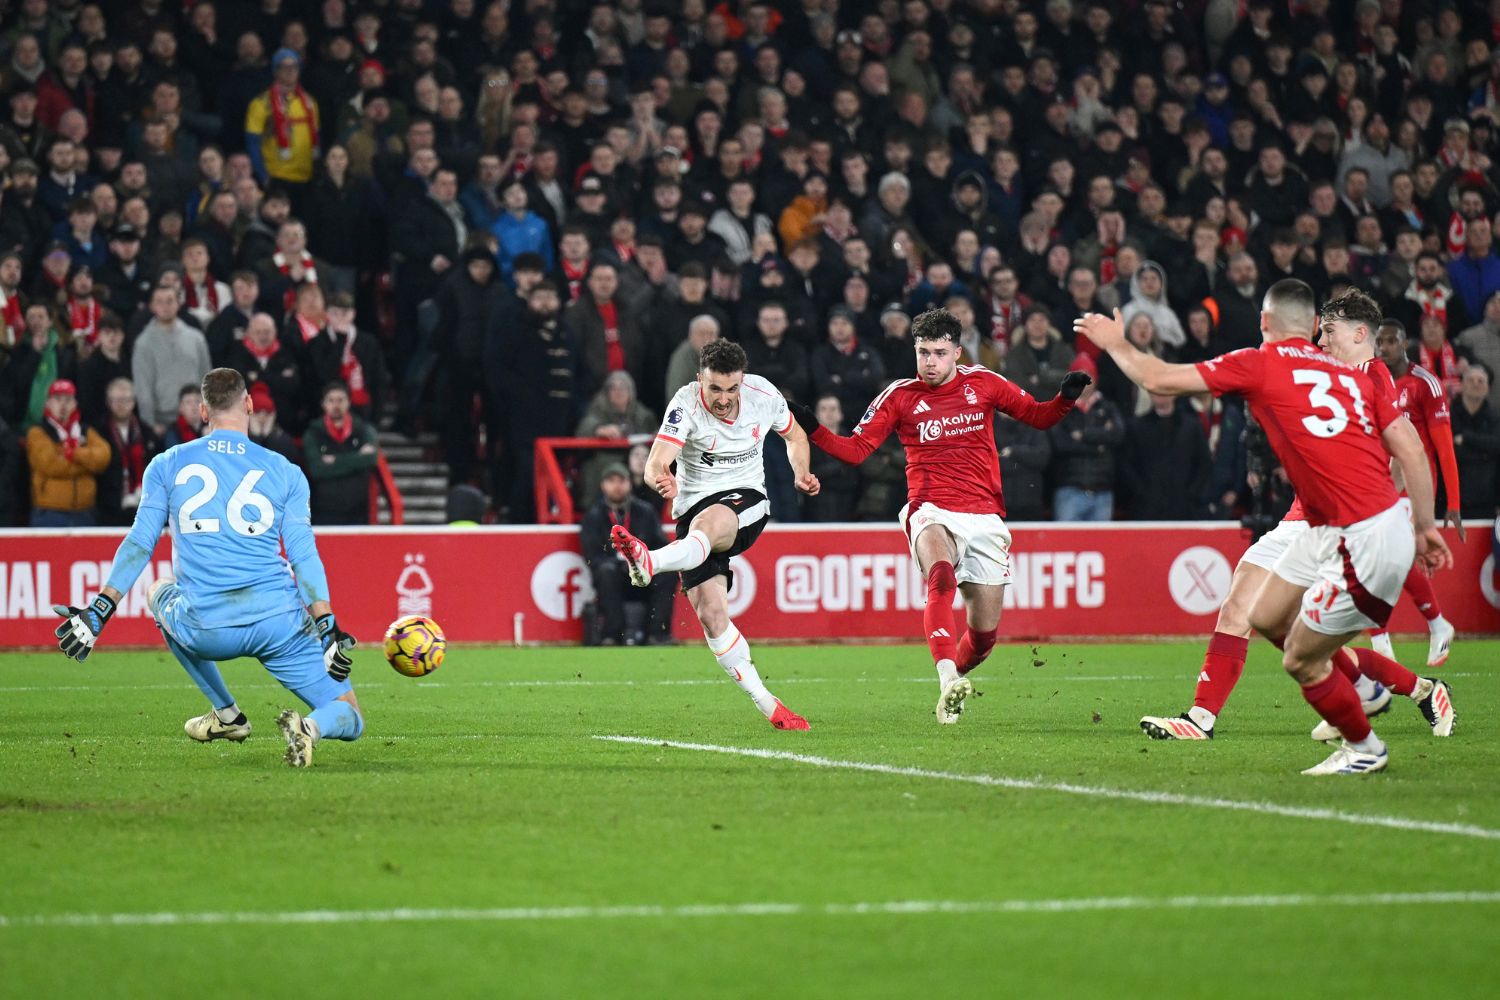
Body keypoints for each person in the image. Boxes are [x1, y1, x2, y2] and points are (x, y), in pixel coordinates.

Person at [1076, 283, 1454, 774]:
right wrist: (1423, 524)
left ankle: (1379, 715)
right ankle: (1214, 714)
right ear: (1314, 326)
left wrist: (1114, 343)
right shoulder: (1347, 377)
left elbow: (1159, 379)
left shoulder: (1281, 364)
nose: (1327, 340)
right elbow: (1409, 445)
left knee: (1301, 652)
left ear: (1263, 323)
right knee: (1254, 611)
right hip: (1319, 519)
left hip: (1351, 526)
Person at [52, 368, 364, 769]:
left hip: (207, 628)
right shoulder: (287, 472)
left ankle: (227, 713)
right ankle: (312, 728)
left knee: (160, 590)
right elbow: (304, 555)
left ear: (202, 411)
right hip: (279, 623)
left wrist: (100, 610)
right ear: (249, 404)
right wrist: (326, 625)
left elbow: (140, 542)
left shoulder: (166, 464)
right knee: (350, 714)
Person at [789, 308, 1087, 724]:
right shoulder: (899, 396)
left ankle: (957, 677)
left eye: (939, 353)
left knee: (983, 638)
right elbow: (855, 451)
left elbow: (1038, 417)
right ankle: (946, 677)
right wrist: (811, 427)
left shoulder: (983, 383)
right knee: (941, 576)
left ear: (957, 353)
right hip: (929, 508)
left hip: (984, 517)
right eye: (923, 352)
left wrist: (1065, 399)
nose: (930, 362)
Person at [609, 339, 820, 730]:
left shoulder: (763, 395)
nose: (724, 399)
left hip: (747, 501)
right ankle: (770, 705)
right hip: (692, 512)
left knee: (713, 522)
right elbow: (656, 460)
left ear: (743, 381)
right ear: (698, 380)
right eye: (715, 389)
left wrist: (800, 472)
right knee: (711, 615)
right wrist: (660, 477)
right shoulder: (685, 403)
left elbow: (795, 437)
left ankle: (650, 561)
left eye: (731, 388)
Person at [1369, 318, 1461, 666]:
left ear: (1404, 342)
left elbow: (1442, 447)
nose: (1385, 347)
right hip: (1376, 483)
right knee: (1388, 559)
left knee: (1383, 557)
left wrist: (1452, 501)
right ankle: (1436, 625)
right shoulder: (1369, 379)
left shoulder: (1426, 383)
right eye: (1381, 341)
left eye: (1391, 340)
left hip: (1411, 486)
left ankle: (1384, 643)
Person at [579, 462, 675, 646]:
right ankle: (612, 635)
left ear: (629, 483)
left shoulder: (645, 512)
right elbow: (592, 556)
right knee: (606, 571)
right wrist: (622, 564)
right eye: (611, 481)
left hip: (644, 572)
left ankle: (658, 634)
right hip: (615, 576)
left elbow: (661, 545)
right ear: (603, 485)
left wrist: (641, 562)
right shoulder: (594, 516)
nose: (617, 486)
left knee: (668, 572)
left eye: (621, 480)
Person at [25, 378, 110, 526]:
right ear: (48, 403)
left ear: (75, 404)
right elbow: (50, 465)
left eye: (68, 399)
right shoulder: (38, 432)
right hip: (49, 513)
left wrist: (74, 454)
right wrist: (86, 464)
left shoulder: (84, 430)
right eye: (57, 399)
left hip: (85, 513)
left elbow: (103, 456)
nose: (63, 404)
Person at [132, 284, 211, 433]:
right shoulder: (143, 343)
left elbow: (206, 378)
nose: (165, 306)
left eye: (169, 301)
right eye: (159, 302)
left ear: (178, 303)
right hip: (164, 423)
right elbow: (143, 388)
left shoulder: (196, 338)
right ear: (152, 306)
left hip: (197, 421)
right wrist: (150, 425)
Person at [302, 380, 379, 525]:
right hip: (323, 512)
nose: (336, 405)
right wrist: (357, 459)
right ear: (323, 404)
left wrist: (335, 461)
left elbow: (371, 458)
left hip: (358, 512)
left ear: (349, 402)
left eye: (340, 400)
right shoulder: (313, 433)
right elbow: (317, 469)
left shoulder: (363, 429)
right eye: (331, 401)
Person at [94, 377, 160, 527]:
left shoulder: (147, 433)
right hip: (109, 511)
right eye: (116, 400)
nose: (121, 405)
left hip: (144, 510)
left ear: (133, 402)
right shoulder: (98, 432)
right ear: (108, 402)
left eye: (125, 400)